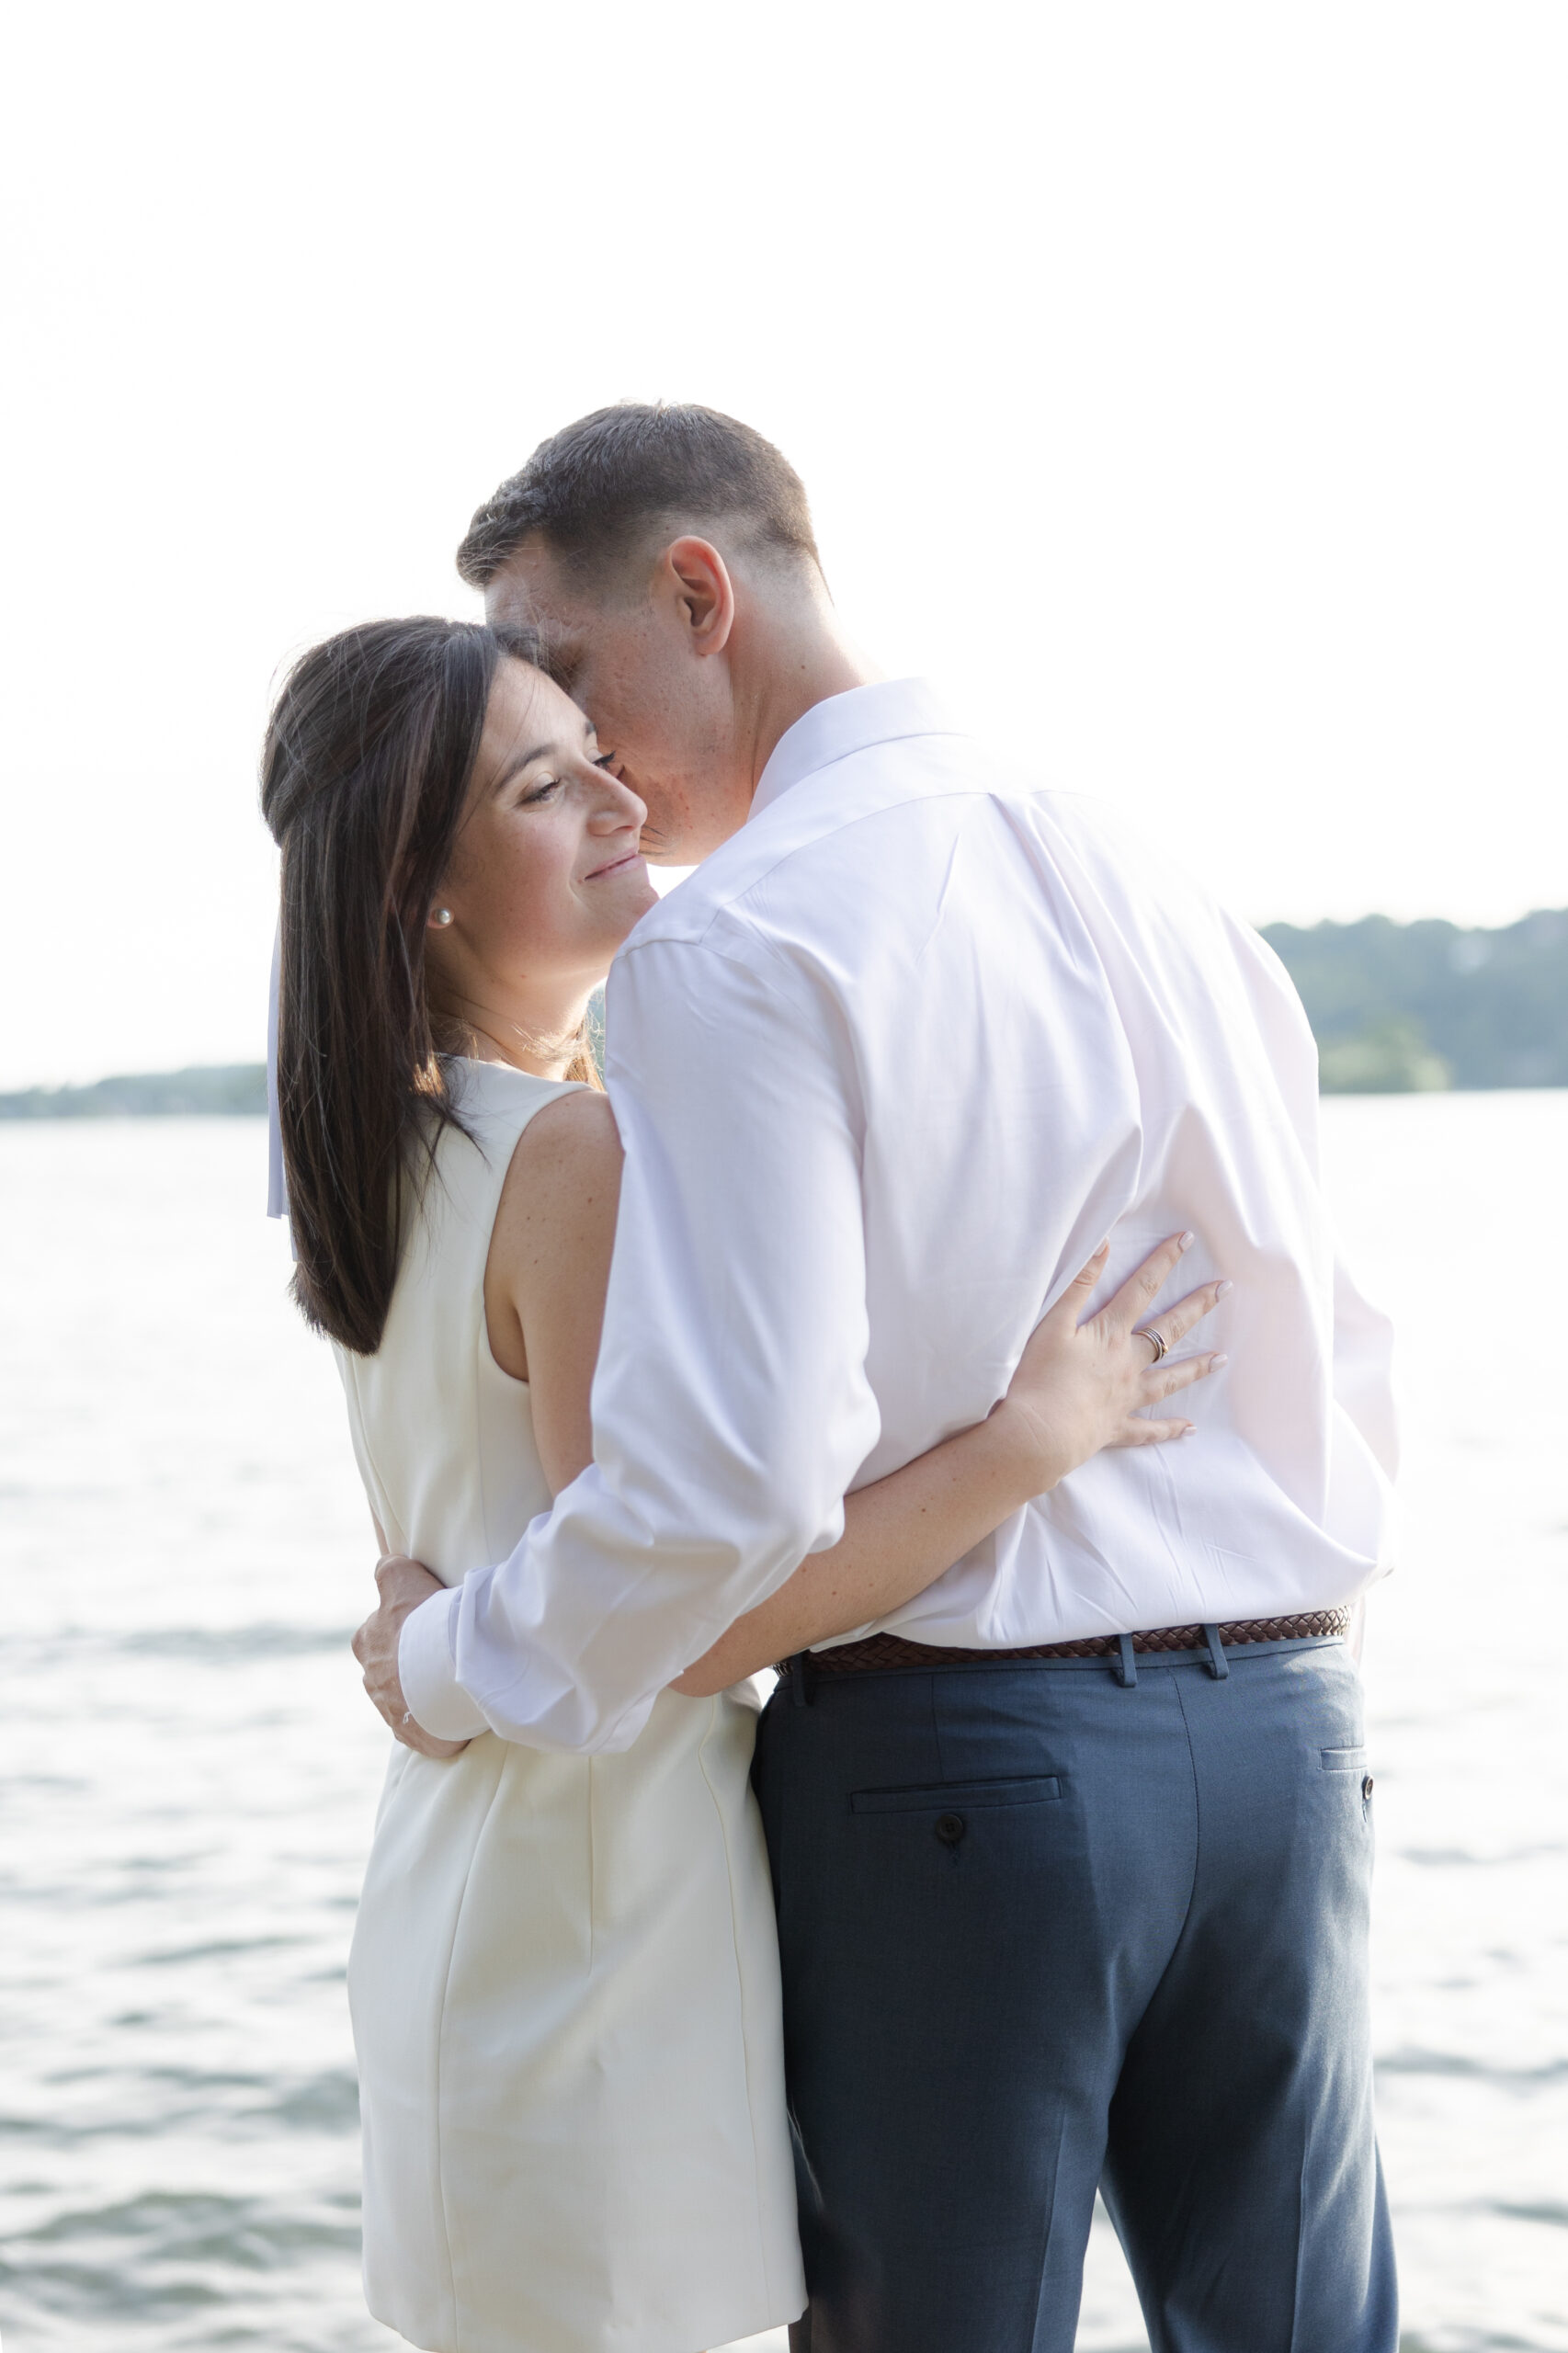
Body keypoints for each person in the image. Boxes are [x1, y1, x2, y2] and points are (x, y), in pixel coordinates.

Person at [348, 405, 1401, 2353]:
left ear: (698, 593)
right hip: (1289, 1737)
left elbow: (711, 1507)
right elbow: (1335, 1335)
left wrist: (442, 1653)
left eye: (569, 673)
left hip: (967, 1775)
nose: (589, 760)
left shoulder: (735, 942)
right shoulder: (1155, 872)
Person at [262, 616, 1225, 2353]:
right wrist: (1031, 1436)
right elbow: (683, 1582)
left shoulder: (383, 1154)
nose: (620, 801)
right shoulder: (568, 1153)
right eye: (548, 787)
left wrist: (426, 1648)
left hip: (486, 1884)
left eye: (596, 757)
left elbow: (476, 1556)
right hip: (599, 1911)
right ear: (424, 887)